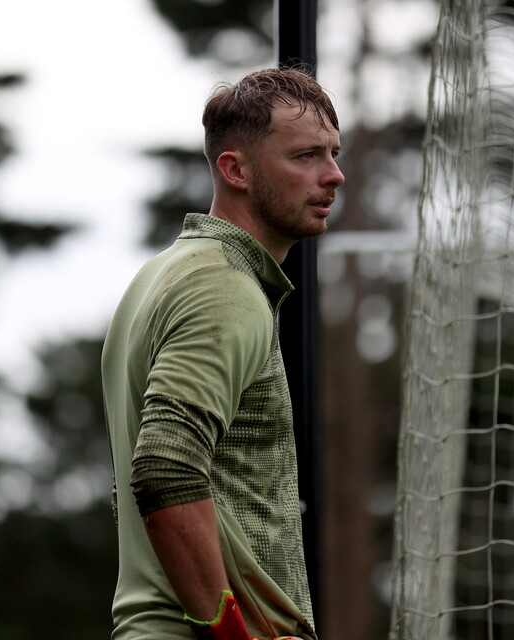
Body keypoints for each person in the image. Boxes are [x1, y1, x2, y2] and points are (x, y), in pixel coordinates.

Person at [101, 68, 344, 640]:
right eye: (306, 156)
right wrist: (230, 632)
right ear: (234, 169)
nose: (334, 175)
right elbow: (165, 467)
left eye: (334, 153)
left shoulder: (160, 275)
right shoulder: (224, 287)